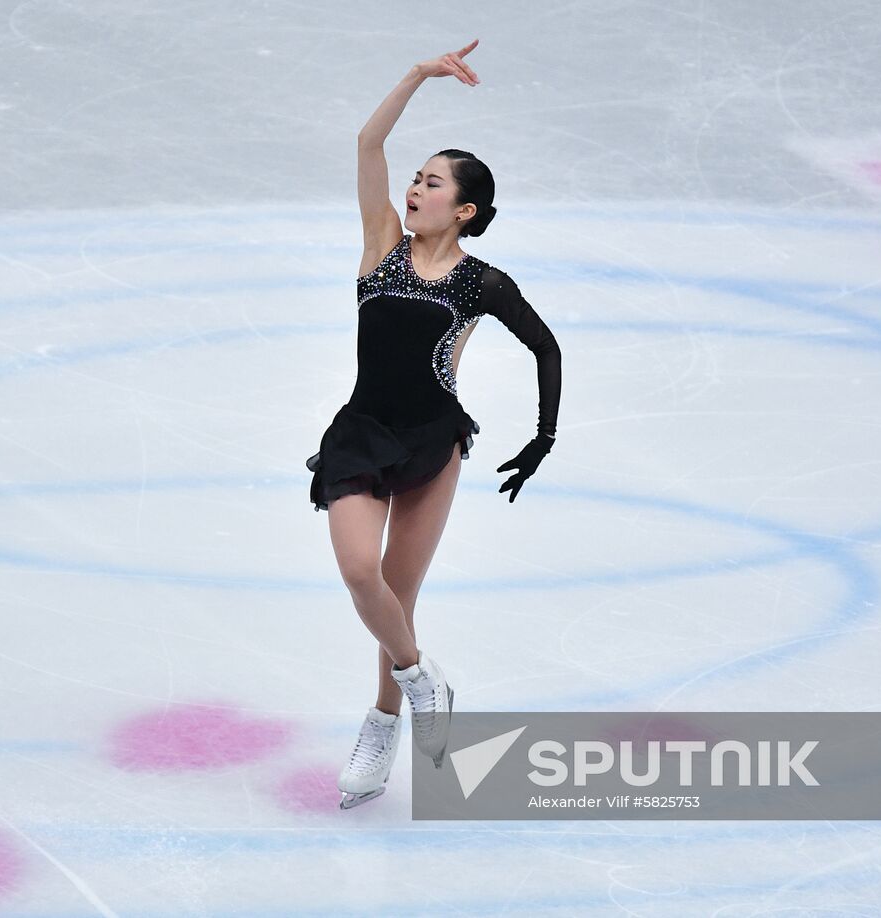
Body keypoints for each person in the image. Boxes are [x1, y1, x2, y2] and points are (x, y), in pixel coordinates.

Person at [306, 39, 563, 809]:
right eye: (415, 180)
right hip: (360, 432)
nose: (415, 190)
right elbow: (367, 144)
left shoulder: (480, 282)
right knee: (361, 574)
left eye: (431, 184)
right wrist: (417, 75)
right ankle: (421, 679)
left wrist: (542, 438)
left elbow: (545, 344)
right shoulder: (381, 247)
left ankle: (383, 724)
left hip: (430, 443)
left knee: (396, 590)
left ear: (466, 209)